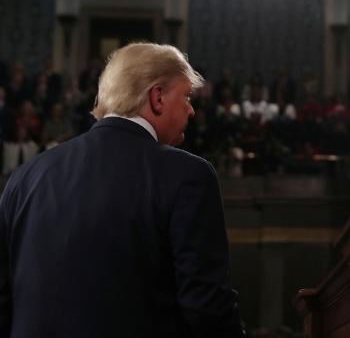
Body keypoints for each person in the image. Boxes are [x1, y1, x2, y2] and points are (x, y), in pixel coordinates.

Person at [0, 43, 245, 337]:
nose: (191, 110)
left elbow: (4, 300)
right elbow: (207, 308)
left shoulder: (24, 177)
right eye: (187, 96)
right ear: (157, 97)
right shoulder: (188, 176)